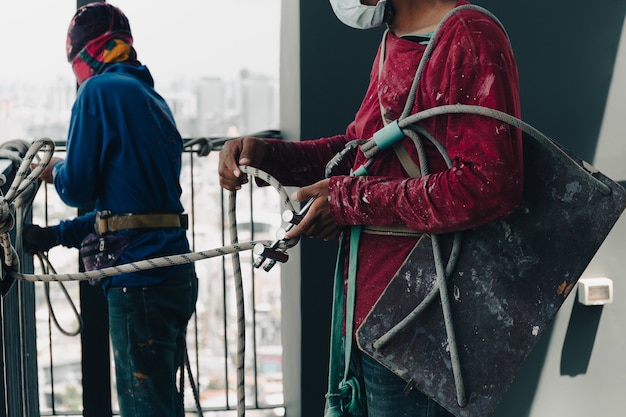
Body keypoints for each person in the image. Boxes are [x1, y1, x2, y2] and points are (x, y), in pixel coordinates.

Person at [218, 0, 523, 416]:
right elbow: (359, 152)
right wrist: (268, 157)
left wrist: (348, 201)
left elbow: (490, 184)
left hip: (421, 322)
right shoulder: (393, 44)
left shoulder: (469, 36)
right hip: (371, 318)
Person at [24, 3, 198, 416]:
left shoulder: (98, 93)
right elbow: (134, 210)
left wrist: (54, 172)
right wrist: (57, 235)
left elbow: (78, 185)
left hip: (139, 282)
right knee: (161, 405)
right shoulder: (150, 97)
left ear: (82, 53)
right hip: (172, 274)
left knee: (145, 410)